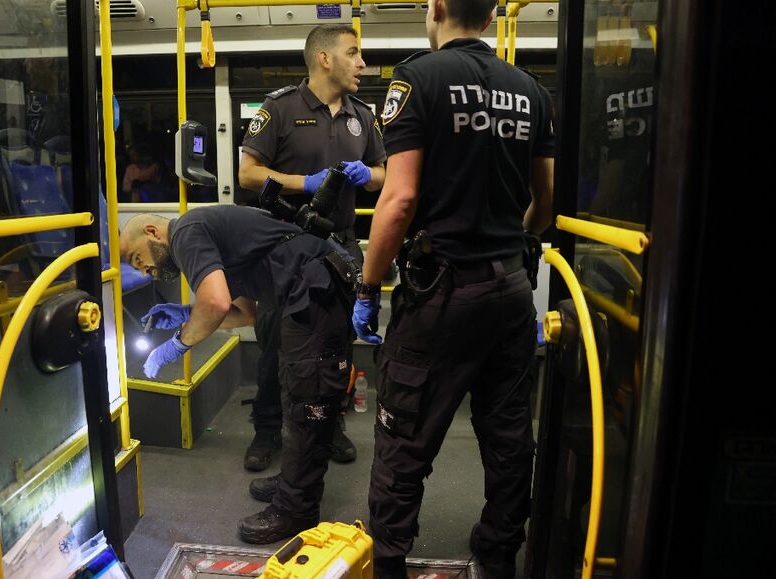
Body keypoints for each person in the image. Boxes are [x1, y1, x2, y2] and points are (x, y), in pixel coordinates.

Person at [352, 0, 555, 577]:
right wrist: (504, 243)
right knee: (510, 436)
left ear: (438, 8)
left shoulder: (417, 79)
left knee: (403, 438)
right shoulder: (531, 91)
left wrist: (369, 287)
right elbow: (546, 203)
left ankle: (388, 563)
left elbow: (400, 199)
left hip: (441, 293)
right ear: (492, 17)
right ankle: (496, 556)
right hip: (512, 292)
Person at [120, 206, 358, 545]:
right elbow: (243, 313)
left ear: (153, 232)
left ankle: (297, 509)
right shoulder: (210, 239)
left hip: (315, 290)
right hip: (306, 291)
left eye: (135, 257)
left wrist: (177, 345)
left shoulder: (185, 231)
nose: (143, 270)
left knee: (308, 400)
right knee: (296, 394)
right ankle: (295, 479)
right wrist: (187, 314)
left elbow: (215, 305)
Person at [237, 24, 386, 476]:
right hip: (284, 246)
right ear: (324, 59)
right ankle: (267, 430)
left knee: (337, 343)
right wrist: (306, 183)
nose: (362, 63)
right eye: (354, 53)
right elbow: (247, 173)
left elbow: (384, 173)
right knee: (274, 345)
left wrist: (368, 176)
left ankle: (331, 424)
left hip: (338, 246)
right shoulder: (279, 108)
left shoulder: (363, 114)